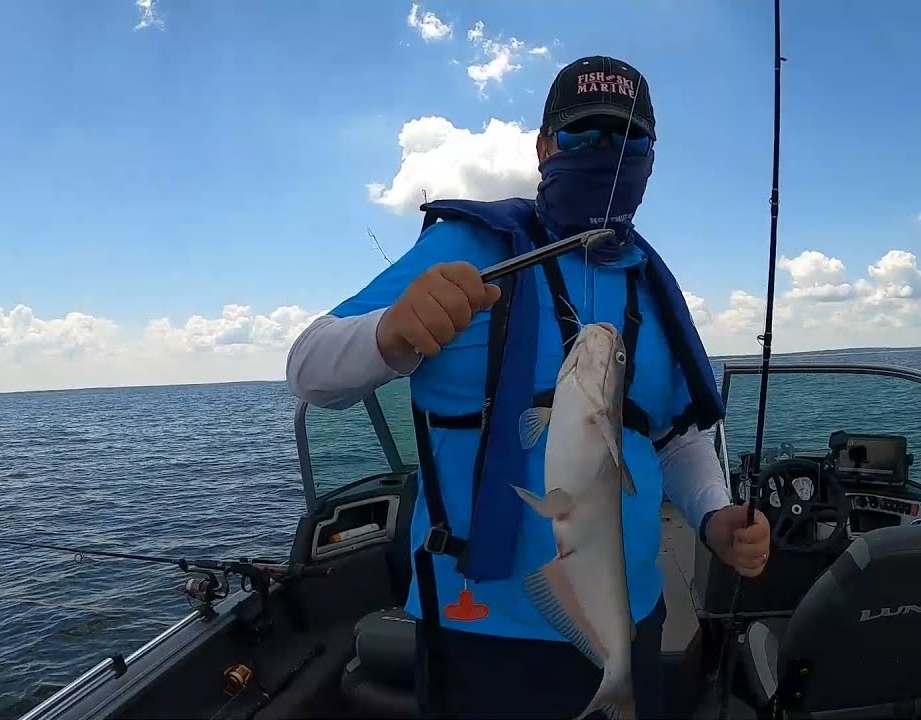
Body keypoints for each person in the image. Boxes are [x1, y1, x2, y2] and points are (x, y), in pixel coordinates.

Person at [286, 55, 771, 719]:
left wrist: (715, 515)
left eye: (628, 137)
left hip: (632, 617)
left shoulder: (652, 287)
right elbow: (308, 369)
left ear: (651, 160)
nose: (606, 150)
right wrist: (391, 333)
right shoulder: (468, 247)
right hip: (480, 629)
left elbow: (675, 436)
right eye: (582, 134)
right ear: (544, 147)